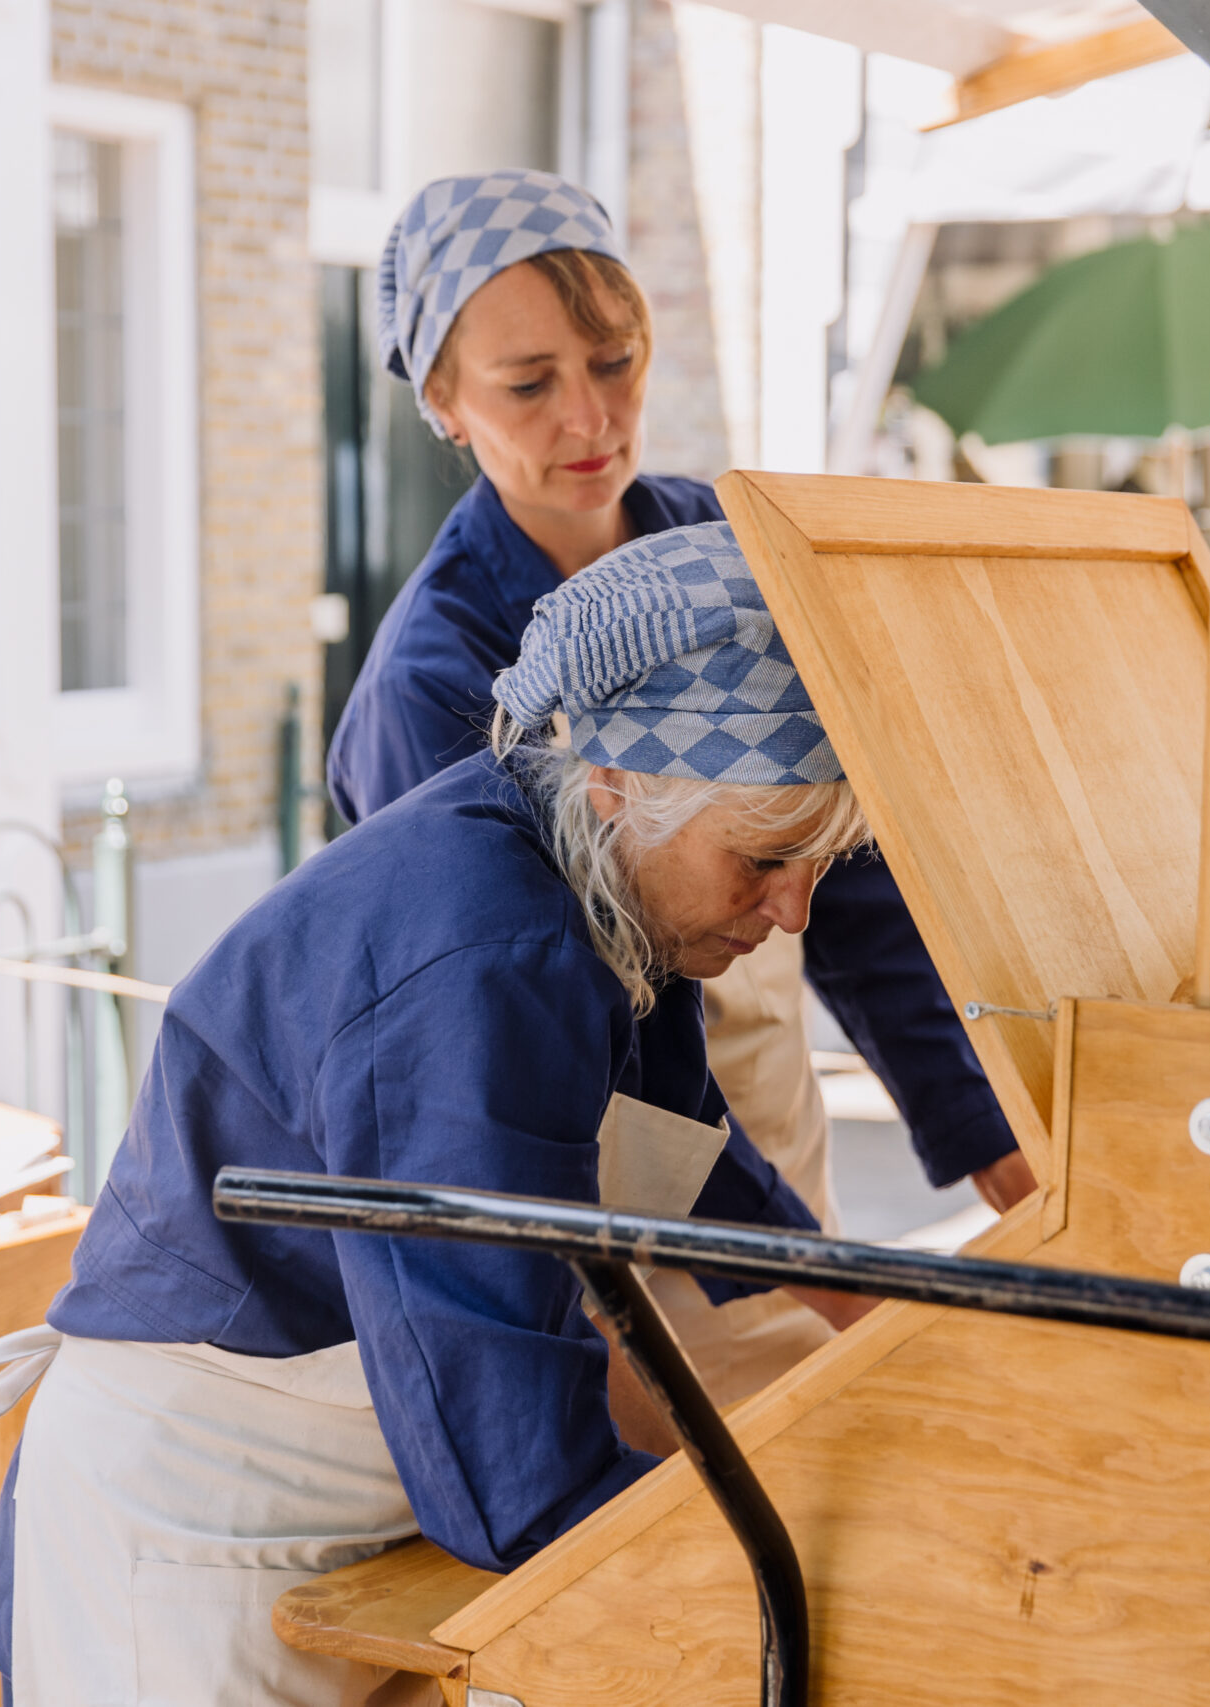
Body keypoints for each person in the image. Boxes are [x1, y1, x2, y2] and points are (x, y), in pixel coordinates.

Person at [0, 523, 883, 1704]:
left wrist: (870, 1303)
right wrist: (766, 1589)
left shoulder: (603, 887)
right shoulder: (482, 962)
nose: (793, 912)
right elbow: (509, 1466)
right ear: (618, 785)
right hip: (195, 1527)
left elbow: (682, 1154)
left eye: (819, 865)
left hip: (352, 1492)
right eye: (761, 860)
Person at [326, 172, 1029, 1398]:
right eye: (528, 384)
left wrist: (990, 1143)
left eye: (615, 361)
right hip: (594, 1205)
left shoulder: (728, 556)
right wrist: (816, 1274)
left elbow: (850, 890)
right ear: (442, 399)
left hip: (774, 1135)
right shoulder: (432, 687)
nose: (590, 417)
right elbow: (540, 1032)